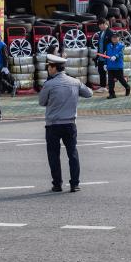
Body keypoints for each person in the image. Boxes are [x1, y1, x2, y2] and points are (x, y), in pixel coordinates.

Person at [38, 54, 93, 192]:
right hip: (70, 123)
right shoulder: (75, 82)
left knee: (53, 155)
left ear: (54, 68)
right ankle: (75, 184)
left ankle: (57, 184)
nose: (48, 70)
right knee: (72, 153)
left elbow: (41, 102)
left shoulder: (49, 84)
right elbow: (89, 93)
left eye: (49, 67)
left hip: (53, 125)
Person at [105, 33, 130, 99]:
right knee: (110, 81)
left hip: (118, 66)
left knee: (121, 80)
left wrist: (116, 56)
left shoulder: (121, 46)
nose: (114, 39)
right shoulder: (108, 45)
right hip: (110, 66)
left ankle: (127, 87)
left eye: (116, 37)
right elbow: (106, 55)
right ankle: (112, 94)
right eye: (113, 37)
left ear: (119, 38)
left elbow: (121, 53)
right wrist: (105, 64)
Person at [94, 19, 113, 92]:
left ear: (105, 24)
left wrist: (109, 53)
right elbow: (100, 44)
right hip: (101, 55)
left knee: (111, 72)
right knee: (101, 71)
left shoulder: (110, 32)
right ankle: (103, 86)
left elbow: (113, 43)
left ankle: (112, 87)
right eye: (99, 25)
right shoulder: (101, 32)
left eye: (101, 24)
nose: (99, 26)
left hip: (108, 56)